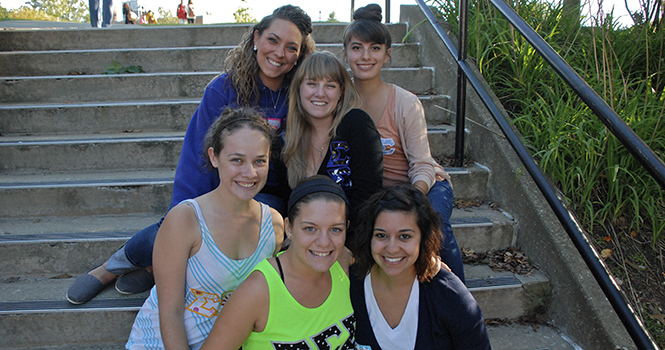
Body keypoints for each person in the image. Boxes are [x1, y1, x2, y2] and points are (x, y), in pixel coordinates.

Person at [66, 5, 315, 305]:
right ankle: (111, 267)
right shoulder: (223, 89)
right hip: (217, 185)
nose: (279, 53)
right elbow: (197, 154)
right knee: (194, 218)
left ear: (300, 55)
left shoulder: (300, 95)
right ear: (257, 38)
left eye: (291, 48)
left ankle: (155, 267)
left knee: (245, 216)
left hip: (266, 194)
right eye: (273, 40)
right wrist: (180, 214)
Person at [125, 107, 285, 350]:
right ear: (214, 157)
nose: (249, 173)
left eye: (259, 161)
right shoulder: (185, 219)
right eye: (237, 160)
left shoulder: (273, 225)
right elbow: (171, 313)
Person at [342, 4, 465, 282]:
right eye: (357, 47)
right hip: (374, 194)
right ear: (345, 53)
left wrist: (412, 200)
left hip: (424, 185)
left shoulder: (406, 103)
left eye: (375, 48)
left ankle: (459, 298)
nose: (365, 56)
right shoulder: (338, 100)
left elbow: (422, 165)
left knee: (434, 224)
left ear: (387, 55)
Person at [200, 176, 356, 350]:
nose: (324, 242)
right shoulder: (258, 291)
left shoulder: (341, 263)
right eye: (310, 229)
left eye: (335, 229)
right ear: (288, 227)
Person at [350, 186, 491, 350]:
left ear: (423, 239)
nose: (392, 248)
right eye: (381, 235)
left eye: (405, 236)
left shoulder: (451, 296)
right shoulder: (350, 285)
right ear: (369, 237)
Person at [281, 50, 383, 238]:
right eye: (312, 84)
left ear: (341, 91)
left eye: (330, 85)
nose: (320, 93)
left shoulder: (357, 124)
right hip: (303, 244)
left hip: (349, 240)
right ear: (299, 88)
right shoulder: (288, 138)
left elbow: (368, 198)